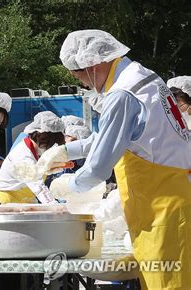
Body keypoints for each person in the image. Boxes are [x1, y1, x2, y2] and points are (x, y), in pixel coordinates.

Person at [37, 29, 191, 288]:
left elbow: (98, 169)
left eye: (79, 76)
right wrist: (65, 151)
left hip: (162, 211)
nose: (84, 84)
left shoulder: (122, 95)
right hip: (169, 202)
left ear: (93, 64)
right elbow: (113, 137)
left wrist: (67, 187)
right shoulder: (144, 78)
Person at [0, 111, 65, 204]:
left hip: (26, 196)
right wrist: (53, 204)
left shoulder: (35, 151)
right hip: (9, 198)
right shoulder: (23, 156)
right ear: (40, 138)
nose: (49, 149)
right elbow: (37, 185)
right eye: (49, 145)